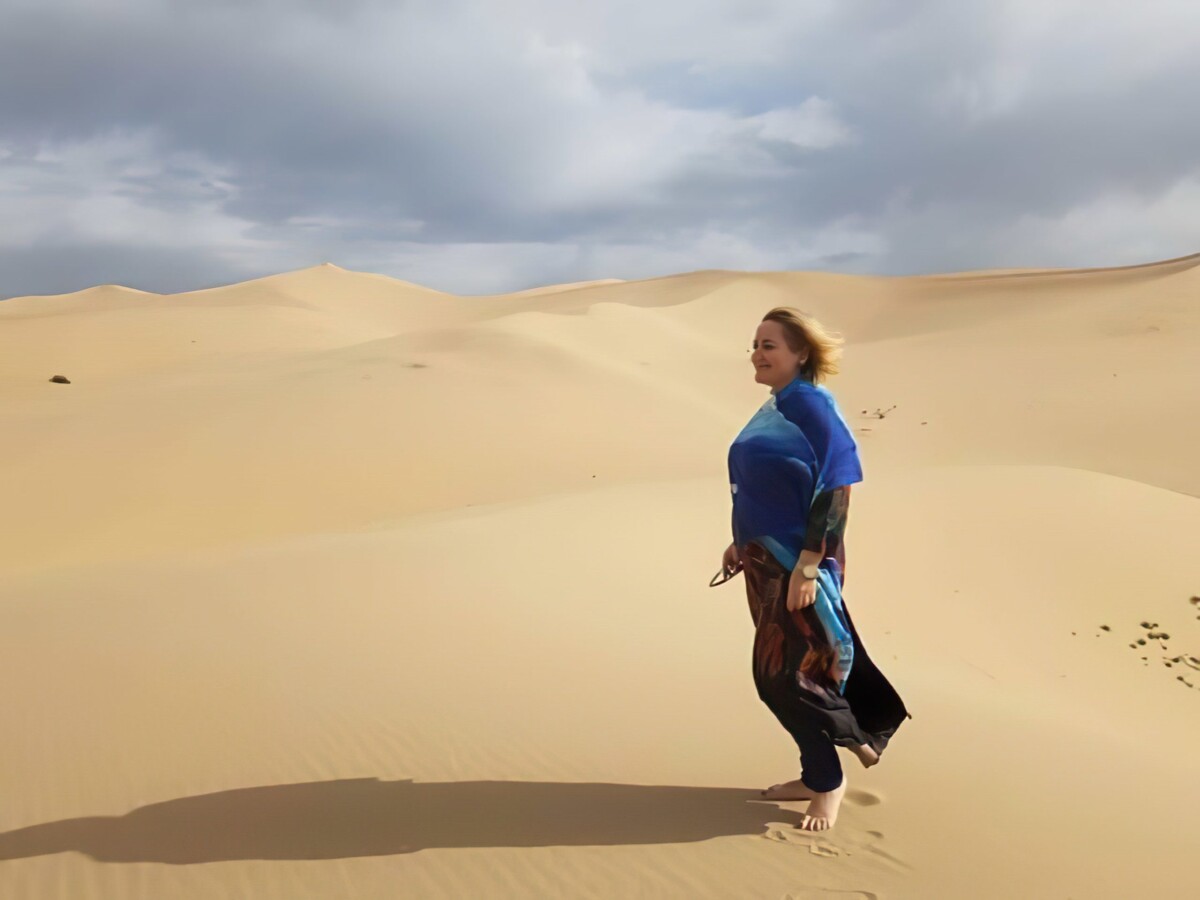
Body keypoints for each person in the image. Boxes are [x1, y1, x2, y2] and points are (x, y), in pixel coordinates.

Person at [715, 307, 909, 833]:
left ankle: (830, 777)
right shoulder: (777, 406)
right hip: (763, 560)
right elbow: (765, 487)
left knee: (784, 678)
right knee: (783, 675)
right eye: (755, 345)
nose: (757, 354)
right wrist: (739, 541)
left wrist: (807, 564)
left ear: (801, 352)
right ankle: (818, 769)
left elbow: (836, 484)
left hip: (795, 564)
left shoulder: (810, 403)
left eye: (769, 345)